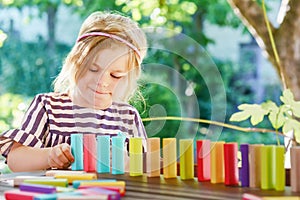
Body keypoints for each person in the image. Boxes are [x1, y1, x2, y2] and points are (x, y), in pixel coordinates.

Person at [0, 11, 148, 172]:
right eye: (93, 69)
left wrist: (129, 162)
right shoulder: (47, 107)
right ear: (74, 62)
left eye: (115, 75)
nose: (102, 82)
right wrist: (49, 156)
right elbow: (16, 160)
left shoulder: (128, 116)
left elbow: (149, 166)